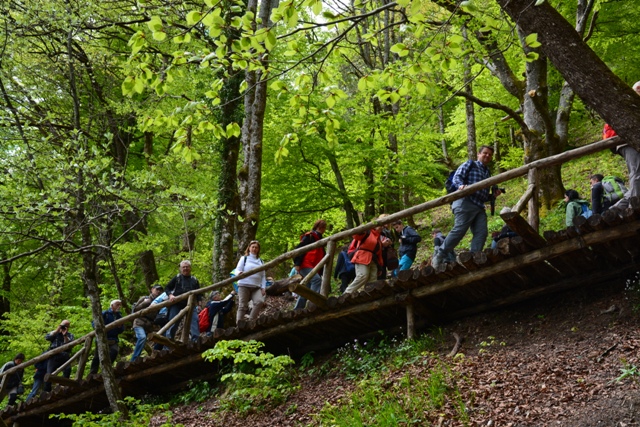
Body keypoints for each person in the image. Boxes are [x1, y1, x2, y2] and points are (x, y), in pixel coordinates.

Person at [432, 145, 502, 270]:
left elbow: (483, 195)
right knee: (460, 230)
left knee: (482, 232)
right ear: (478, 154)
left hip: (479, 206)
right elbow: (457, 177)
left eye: (490, 154)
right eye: (485, 153)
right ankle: (440, 255)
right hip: (465, 201)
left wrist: (493, 196)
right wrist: (460, 186)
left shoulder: (487, 172)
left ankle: (473, 257)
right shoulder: (470, 164)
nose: (487, 156)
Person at [602, 81, 640, 212]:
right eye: (638, 88)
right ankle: (634, 206)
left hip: (628, 142)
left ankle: (616, 209)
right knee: (637, 172)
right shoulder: (627, 104)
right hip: (626, 142)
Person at [293, 219, 327, 310]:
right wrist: (297, 263)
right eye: (324, 227)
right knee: (316, 280)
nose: (324, 229)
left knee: (306, 289)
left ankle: (297, 309)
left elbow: (322, 256)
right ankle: (313, 305)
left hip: (314, 266)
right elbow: (300, 249)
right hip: (305, 264)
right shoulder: (310, 236)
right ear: (320, 227)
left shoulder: (320, 239)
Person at [343, 225, 387, 294]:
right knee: (362, 276)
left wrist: (380, 266)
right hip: (362, 257)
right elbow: (355, 235)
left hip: (373, 260)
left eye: (382, 227)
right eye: (380, 226)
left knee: (372, 281)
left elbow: (379, 254)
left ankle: (369, 296)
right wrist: (361, 230)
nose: (382, 227)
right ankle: (347, 293)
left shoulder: (378, 238)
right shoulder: (367, 231)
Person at [165, 260, 201, 342]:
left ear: (190, 268)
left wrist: (199, 304)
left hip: (191, 304)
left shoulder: (194, 279)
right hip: (176, 303)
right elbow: (167, 288)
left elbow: (199, 293)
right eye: (183, 267)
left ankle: (195, 341)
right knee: (173, 322)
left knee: (194, 321)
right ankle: (168, 342)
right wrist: (170, 295)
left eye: (187, 267)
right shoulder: (177, 278)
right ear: (180, 269)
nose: (185, 269)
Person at [89, 300, 124, 375]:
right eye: (117, 305)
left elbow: (121, 330)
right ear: (112, 306)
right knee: (97, 356)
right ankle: (92, 373)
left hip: (113, 339)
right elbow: (94, 323)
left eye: (120, 305)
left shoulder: (119, 316)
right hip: (102, 338)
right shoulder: (105, 313)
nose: (119, 307)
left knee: (114, 352)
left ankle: (106, 369)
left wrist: (120, 327)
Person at [130, 285, 164, 362]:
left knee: (161, 336)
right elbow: (134, 309)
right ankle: (134, 360)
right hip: (139, 322)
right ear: (152, 289)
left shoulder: (161, 302)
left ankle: (156, 354)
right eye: (157, 289)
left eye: (160, 290)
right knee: (142, 337)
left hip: (150, 325)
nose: (158, 291)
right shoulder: (144, 298)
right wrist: (145, 303)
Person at [235, 240, 267, 322]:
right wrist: (239, 273)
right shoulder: (244, 258)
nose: (254, 249)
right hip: (244, 285)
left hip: (256, 286)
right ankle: (239, 325)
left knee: (259, 302)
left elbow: (263, 276)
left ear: (258, 249)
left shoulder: (261, 261)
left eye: (256, 247)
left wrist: (263, 287)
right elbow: (237, 270)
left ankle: (251, 321)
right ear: (249, 248)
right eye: (253, 247)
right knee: (242, 305)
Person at [44, 320, 74, 392]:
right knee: (49, 373)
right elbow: (47, 337)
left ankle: (64, 387)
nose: (64, 327)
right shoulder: (55, 333)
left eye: (66, 326)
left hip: (64, 355)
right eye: (63, 325)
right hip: (54, 356)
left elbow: (69, 345)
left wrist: (65, 335)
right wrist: (57, 330)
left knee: (67, 370)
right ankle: (46, 391)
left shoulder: (70, 335)